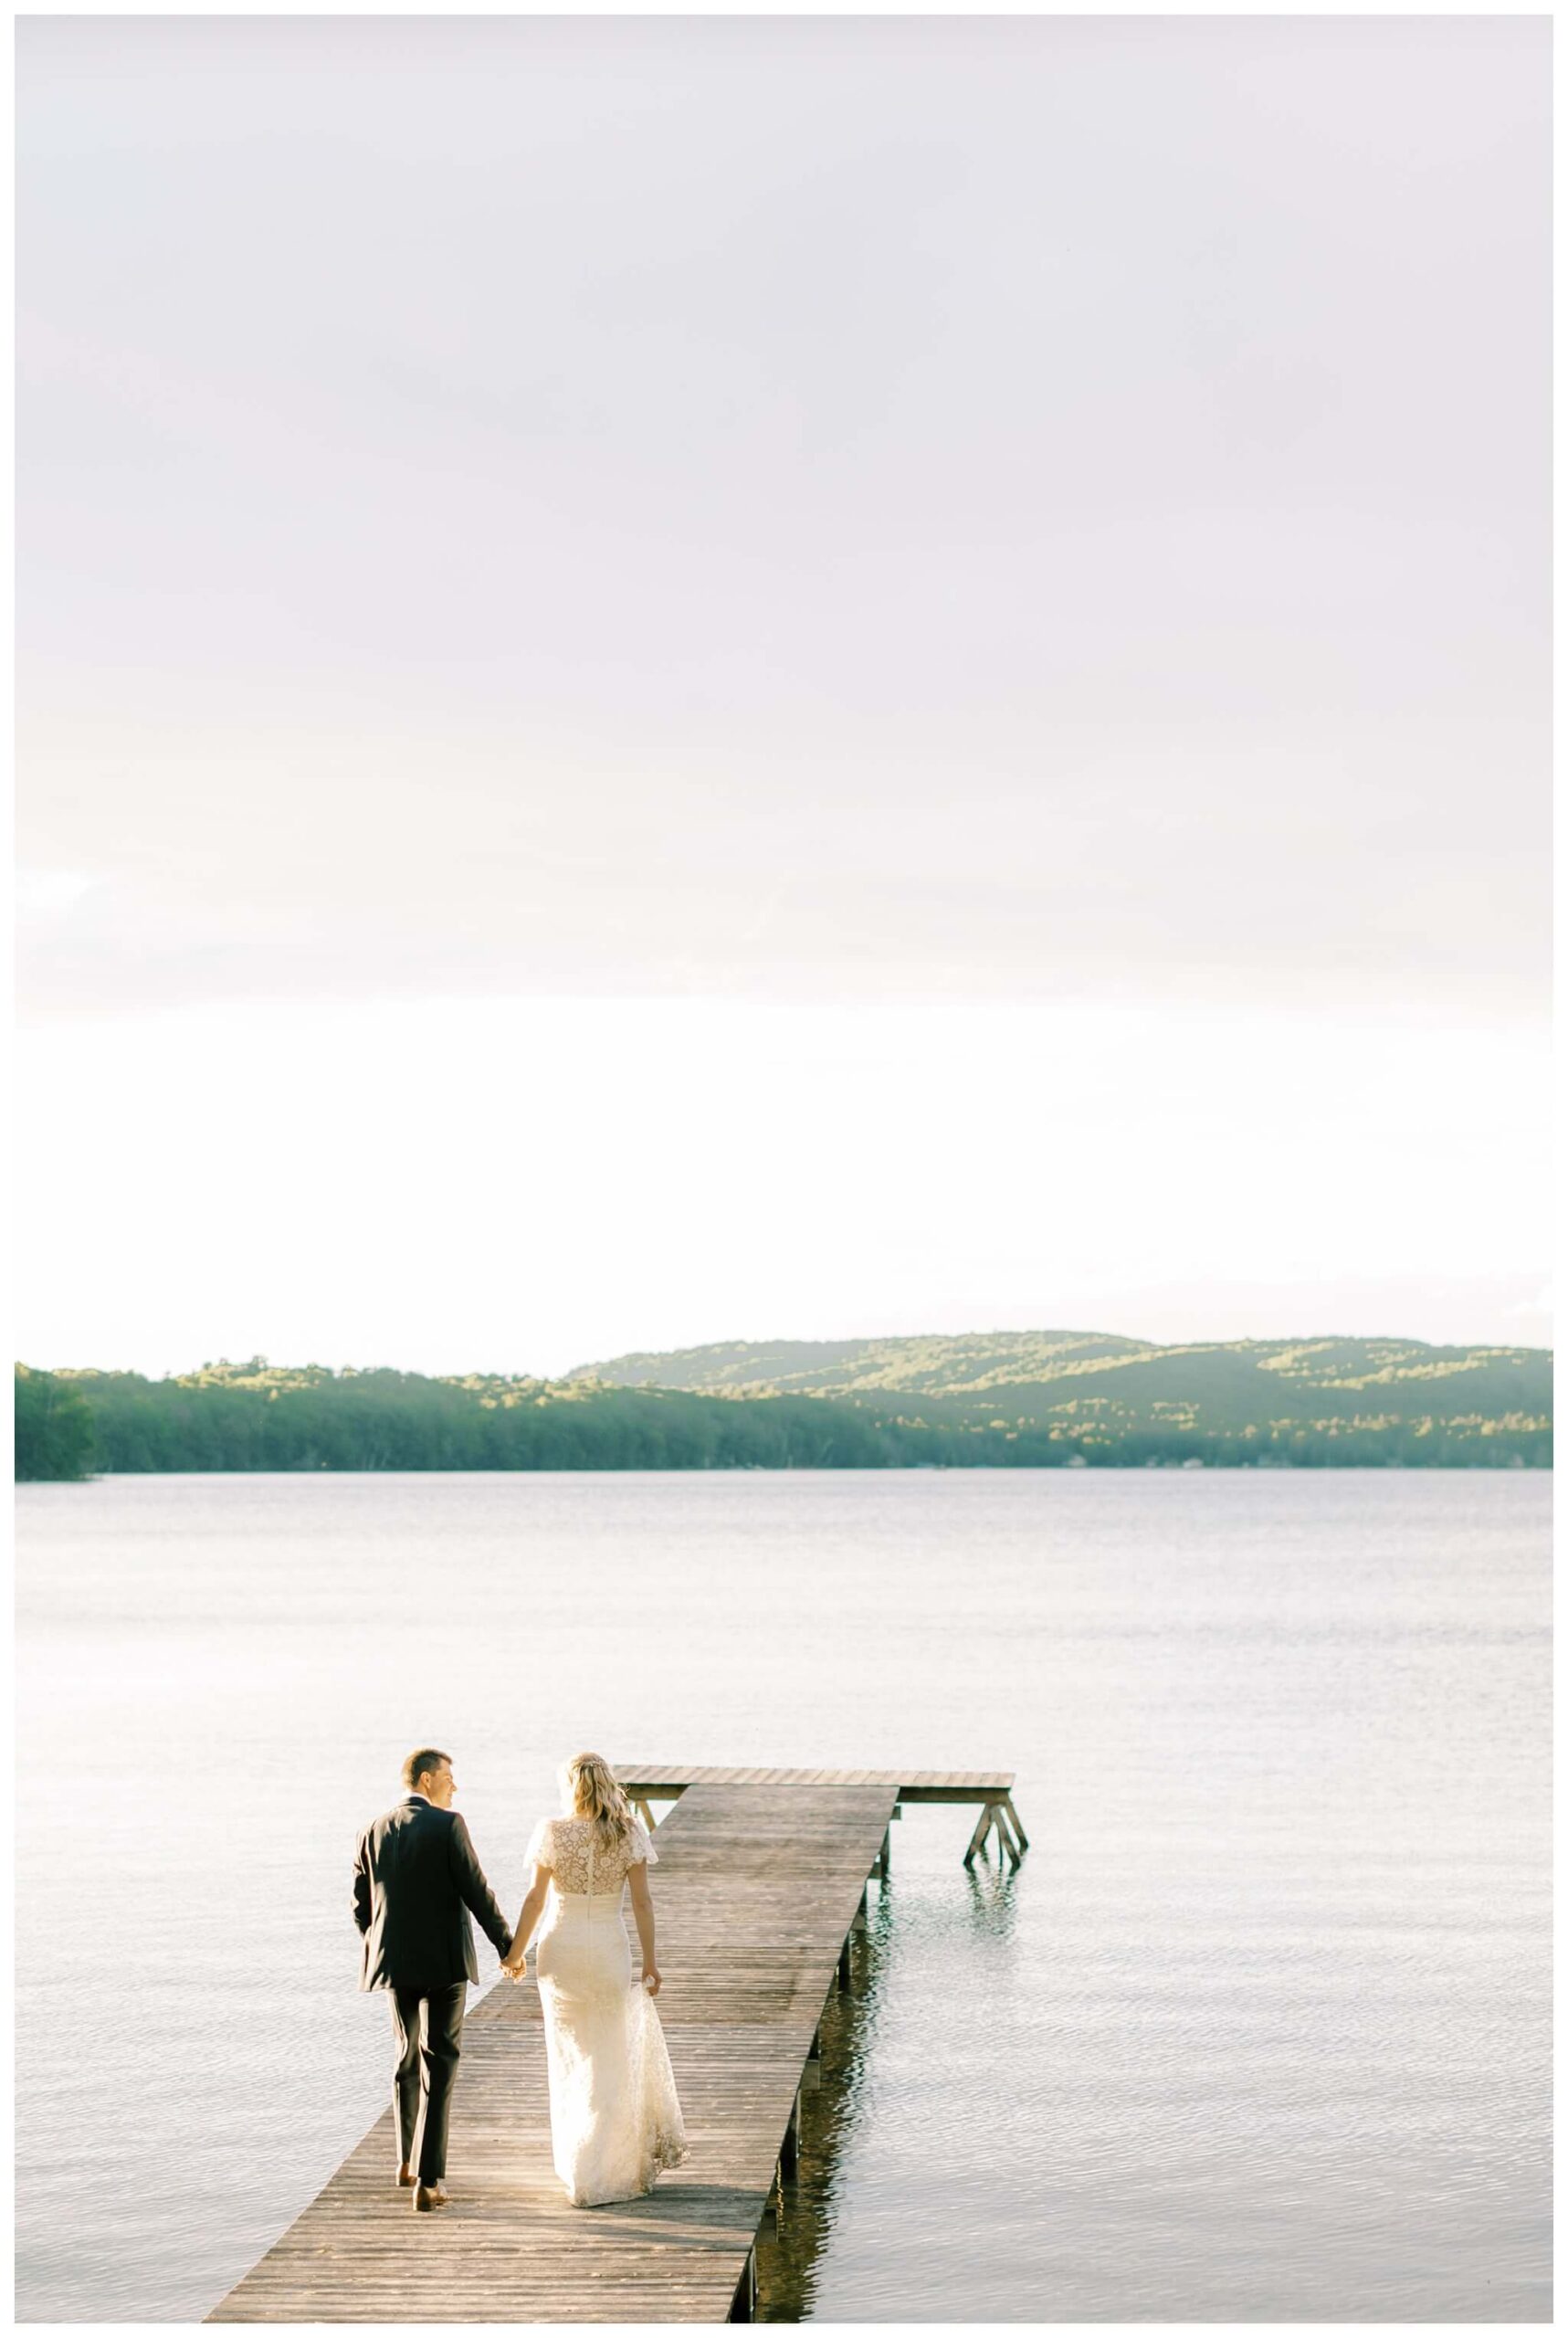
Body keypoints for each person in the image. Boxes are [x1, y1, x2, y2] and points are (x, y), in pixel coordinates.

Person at [502, 1751, 687, 2206]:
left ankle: (577, 2164)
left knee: (569, 2058)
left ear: (571, 1787)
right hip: (607, 1952)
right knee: (608, 2057)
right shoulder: (628, 1832)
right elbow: (642, 1904)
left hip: (560, 1951)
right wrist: (651, 1961)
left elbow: (534, 1901)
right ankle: (600, 2165)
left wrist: (515, 1954)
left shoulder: (552, 1832)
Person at [353, 1747, 514, 2212]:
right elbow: (477, 1892)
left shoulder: (372, 1830)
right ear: (426, 1780)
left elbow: (361, 1907)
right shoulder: (449, 1825)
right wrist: (508, 1949)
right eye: (448, 1777)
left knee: (406, 2055)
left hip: (394, 1966)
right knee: (439, 2063)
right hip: (444, 1965)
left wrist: (382, 1946)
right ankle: (429, 2182)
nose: (454, 1786)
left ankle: (405, 2162)